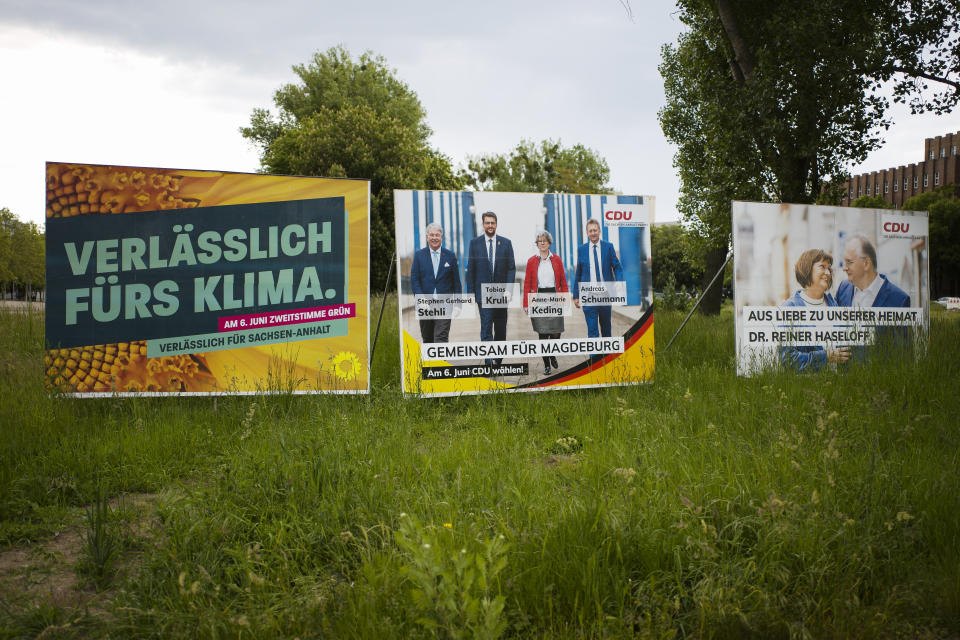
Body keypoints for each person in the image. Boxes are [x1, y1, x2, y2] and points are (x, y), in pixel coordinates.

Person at [780, 249, 850, 371]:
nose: (828, 272)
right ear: (807, 269)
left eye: (829, 268)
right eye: (822, 267)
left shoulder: (835, 305)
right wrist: (826, 357)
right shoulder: (790, 308)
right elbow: (788, 359)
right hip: (808, 387)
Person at [466, 211, 515, 364]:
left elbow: (511, 268)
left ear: (496, 224)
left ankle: (498, 361)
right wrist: (470, 293)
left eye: (492, 222)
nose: (490, 225)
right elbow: (471, 268)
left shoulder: (506, 243)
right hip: (483, 294)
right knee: (486, 327)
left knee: (500, 329)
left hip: (501, 295)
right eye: (487, 222)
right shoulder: (475, 243)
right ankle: (488, 363)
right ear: (483, 224)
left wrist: (509, 289)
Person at [523, 230, 568, 375]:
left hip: (554, 297)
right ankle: (547, 364)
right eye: (539, 241)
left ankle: (552, 353)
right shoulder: (531, 261)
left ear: (549, 243)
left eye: (544, 241)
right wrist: (526, 303)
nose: (542, 243)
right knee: (542, 333)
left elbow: (562, 281)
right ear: (537, 244)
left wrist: (565, 299)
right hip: (538, 299)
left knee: (556, 331)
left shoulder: (557, 260)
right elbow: (527, 283)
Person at [409, 222, 461, 344]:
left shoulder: (450, 256)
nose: (434, 238)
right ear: (427, 237)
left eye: (437, 235)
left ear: (441, 237)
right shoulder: (419, 256)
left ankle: (440, 363)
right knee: (427, 339)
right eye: (431, 235)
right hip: (425, 305)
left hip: (445, 304)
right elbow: (414, 279)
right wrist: (421, 300)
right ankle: (431, 364)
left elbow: (456, 283)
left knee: (441, 338)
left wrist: (458, 304)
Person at [572, 218, 623, 338]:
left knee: (606, 329)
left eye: (595, 230)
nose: (593, 233)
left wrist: (619, 281)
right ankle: (595, 357)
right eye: (590, 231)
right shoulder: (581, 250)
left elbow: (617, 267)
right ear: (587, 233)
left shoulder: (608, 247)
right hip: (589, 294)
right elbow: (579, 273)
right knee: (592, 331)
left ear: (599, 231)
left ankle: (608, 356)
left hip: (605, 293)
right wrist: (576, 295)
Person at [836, 235, 910, 307]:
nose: (844, 268)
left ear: (866, 263)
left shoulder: (900, 300)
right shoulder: (843, 289)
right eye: (844, 262)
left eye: (849, 262)